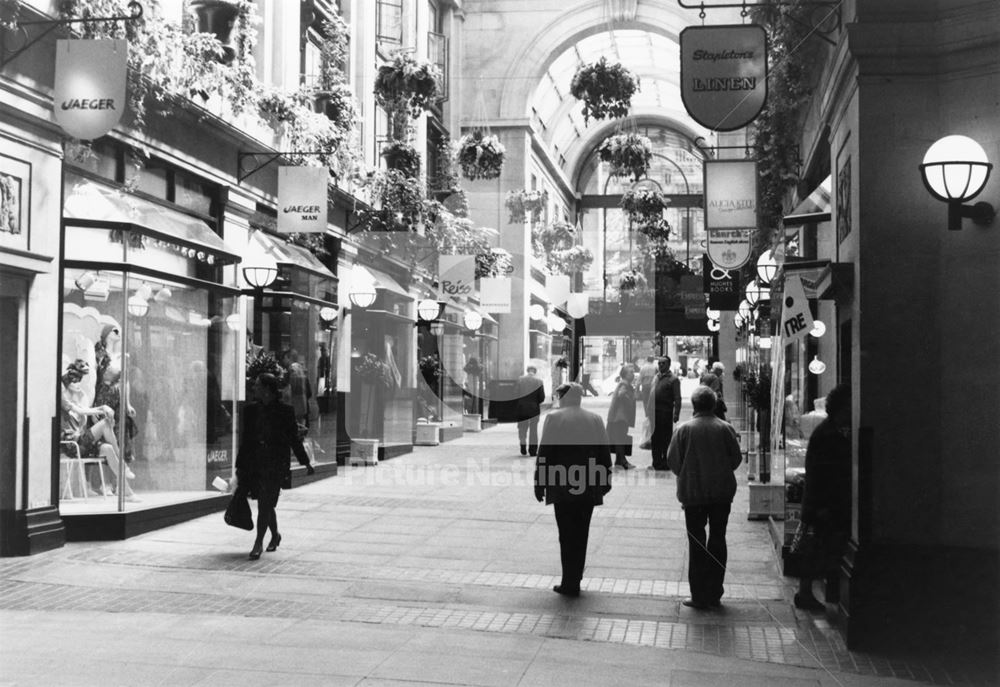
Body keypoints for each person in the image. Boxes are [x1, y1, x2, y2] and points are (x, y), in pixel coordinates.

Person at [666, 386, 742, 609]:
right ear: (712, 405)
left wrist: (687, 473)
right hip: (721, 494)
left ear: (695, 405)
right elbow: (736, 460)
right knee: (718, 539)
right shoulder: (725, 428)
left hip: (694, 495)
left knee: (696, 541)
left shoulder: (683, 430)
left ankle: (698, 594)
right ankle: (715, 591)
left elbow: (673, 461)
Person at [534, 383, 612, 596]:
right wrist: (606, 481)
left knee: (566, 534)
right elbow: (604, 452)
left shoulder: (554, 418)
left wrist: (539, 482)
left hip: (561, 486)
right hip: (587, 486)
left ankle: (568, 579)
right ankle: (575, 578)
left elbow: (545, 453)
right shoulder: (595, 419)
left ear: (564, 398)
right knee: (581, 532)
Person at [236, 373, 313, 561]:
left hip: (275, 464)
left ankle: (258, 543)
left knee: (264, 503)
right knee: (266, 503)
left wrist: (305, 462)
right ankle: (275, 535)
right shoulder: (250, 410)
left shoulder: (285, 411)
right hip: (255, 463)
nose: (254, 388)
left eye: (257, 385)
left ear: (267, 389)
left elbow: (294, 440)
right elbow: (245, 440)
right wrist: (239, 466)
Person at [794, 384, 852, 611]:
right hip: (824, 503)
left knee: (818, 547)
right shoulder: (828, 435)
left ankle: (813, 592)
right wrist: (819, 506)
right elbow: (821, 473)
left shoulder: (830, 431)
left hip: (823, 502)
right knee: (817, 547)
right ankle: (807, 592)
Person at [60, 359, 138, 500]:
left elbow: (82, 409)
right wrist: (102, 408)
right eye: (76, 379)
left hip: (79, 441)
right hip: (71, 443)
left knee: (108, 448)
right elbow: (80, 411)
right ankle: (123, 463)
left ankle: (127, 491)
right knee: (104, 424)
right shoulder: (60, 393)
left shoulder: (75, 395)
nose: (78, 383)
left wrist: (101, 409)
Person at [647, 356, 681, 471]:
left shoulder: (673, 379)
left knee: (666, 438)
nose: (661, 365)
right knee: (655, 438)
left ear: (669, 365)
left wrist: (676, 414)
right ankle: (656, 462)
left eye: (663, 363)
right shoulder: (656, 377)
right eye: (659, 363)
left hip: (665, 413)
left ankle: (665, 462)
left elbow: (677, 398)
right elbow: (651, 394)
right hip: (654, 413)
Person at [606, 365, 637, 469]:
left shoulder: (623, 383)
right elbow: (621, 395)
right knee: (620, 440)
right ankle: (622, 461)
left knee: (620, 439)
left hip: (618, 417)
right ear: (625, 374)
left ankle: (619, 460)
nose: (633, 374)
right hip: (620, 417)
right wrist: (629, 402)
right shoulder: (624, 384)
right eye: (631, 372)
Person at [515, 365, 546, 456]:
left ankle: (523, 443)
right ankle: (532, 451)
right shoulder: (539, 381)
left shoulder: (520, 380)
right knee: (533, 429)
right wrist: (535, 403)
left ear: (527, 370)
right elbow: (542, 397)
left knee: (522, 427)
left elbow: (515, 394)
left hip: (521, 408)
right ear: (535, 372)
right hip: (534, 409)